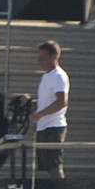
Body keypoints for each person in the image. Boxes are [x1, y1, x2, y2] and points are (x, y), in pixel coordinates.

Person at [31, 40, 70, 180]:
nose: (39, 61)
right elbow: (47, 101)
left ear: (53, 57)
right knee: (46, 166)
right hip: (43, 126)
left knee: (54, 165)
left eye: (43, 57)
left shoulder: (58, 76)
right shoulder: (46, 76)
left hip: (53, 127)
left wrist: (39, 114)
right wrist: (31, 102)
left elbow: (61, 102)